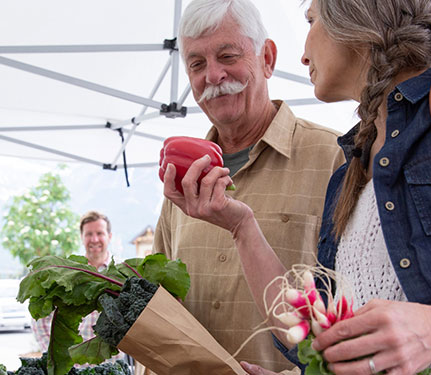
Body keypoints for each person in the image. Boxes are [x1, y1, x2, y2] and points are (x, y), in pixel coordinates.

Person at [161, 0, 431, 374]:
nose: (303, 56)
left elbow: (425, 331)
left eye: (311, 21)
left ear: (355, 15)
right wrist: (241, 227)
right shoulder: (352, 167)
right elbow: (311, 336)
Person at [150, 0, 345, 373]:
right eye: (197, 64)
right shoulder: (181, 180)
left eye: (227, 55)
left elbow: (362, 304)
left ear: (267, 58)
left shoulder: (334, 159)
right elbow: (162, 302)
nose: (213, 75)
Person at [32, 211, 127, 364]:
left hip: (113, 366)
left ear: (109, 236)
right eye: (89, 234)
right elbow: (41, 320)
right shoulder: (66, 274)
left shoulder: (123, 274)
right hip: (74, 368)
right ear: (82, 237)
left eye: (99, 233)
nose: (94, 239)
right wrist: (57, 354)